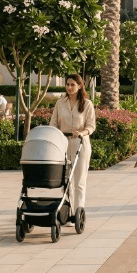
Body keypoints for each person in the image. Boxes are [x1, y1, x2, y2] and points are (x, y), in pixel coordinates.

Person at [49, 74, 96, 222]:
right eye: (67, 84)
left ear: (80, 86)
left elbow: (91, 126)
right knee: (66, 181)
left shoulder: (87, 104)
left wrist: (81, 132)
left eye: (72, 85)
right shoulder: (60, 103)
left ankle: (77, 213)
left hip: (80, 143)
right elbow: (53, 123)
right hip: (63, 144)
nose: (69, 87)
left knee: (79, 181)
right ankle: (67, 212)